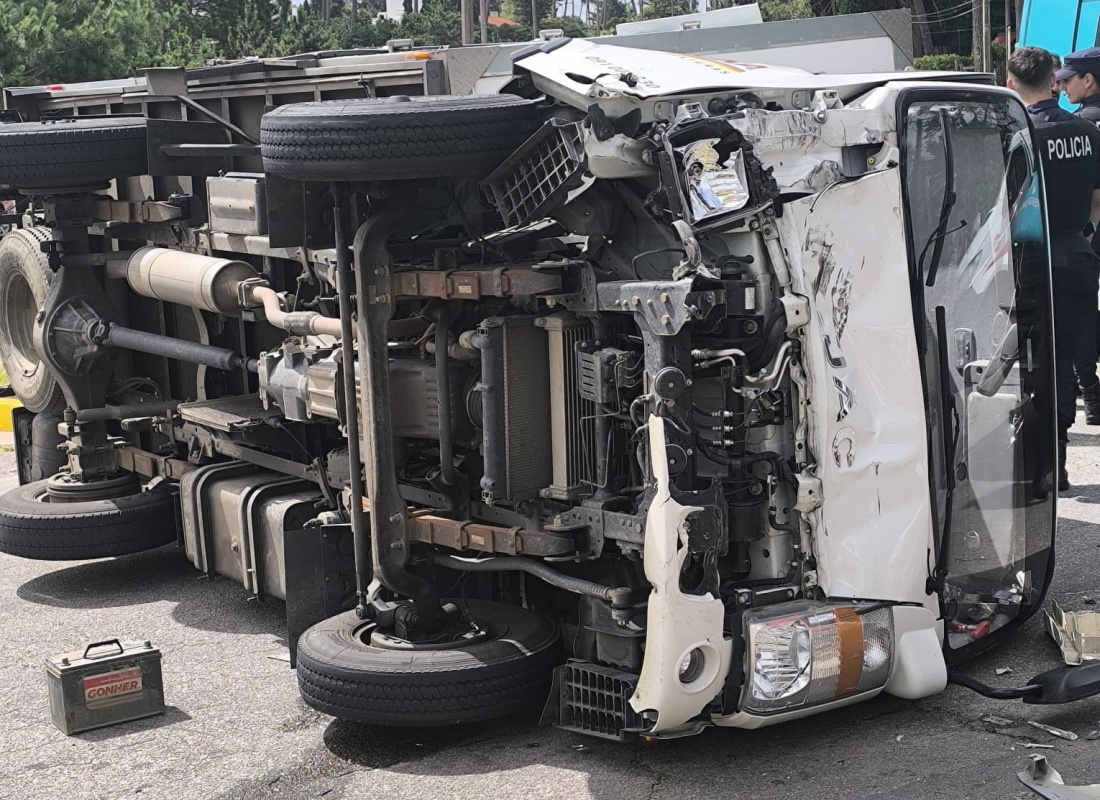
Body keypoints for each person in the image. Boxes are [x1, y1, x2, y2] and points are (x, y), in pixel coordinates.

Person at [1008, 46, 1100, 491]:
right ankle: (1059, 464)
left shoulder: (1018, 134)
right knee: (1063, 359)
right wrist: (1081, 235)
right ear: (1052, 80)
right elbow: (1097, 202)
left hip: (1030, 260)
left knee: (1030, 362)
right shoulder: (1087, 130)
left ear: (1010, 84)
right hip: (1077, 255)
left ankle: (1041, 466)